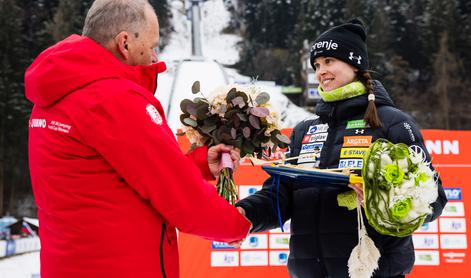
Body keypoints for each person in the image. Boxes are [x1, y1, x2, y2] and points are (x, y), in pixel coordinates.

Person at [25, 0, 251, 277]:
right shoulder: (111, 98)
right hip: (121, 266)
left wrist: (200, 164)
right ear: (125, 43)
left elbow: (119, 176)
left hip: (73, 263)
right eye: (152, 44)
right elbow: (176, 190)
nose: (155, 57)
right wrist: (234, 225)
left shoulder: (59, 90)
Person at [236, 19, 447, 278]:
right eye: (316, 64)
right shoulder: (305, 130)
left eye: (328, 61)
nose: (320, 71)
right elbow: (279, 197)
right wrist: (243, 214)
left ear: (354, 64)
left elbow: (433, 199)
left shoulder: (392, 122)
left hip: (373, 271)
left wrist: (380, 200)